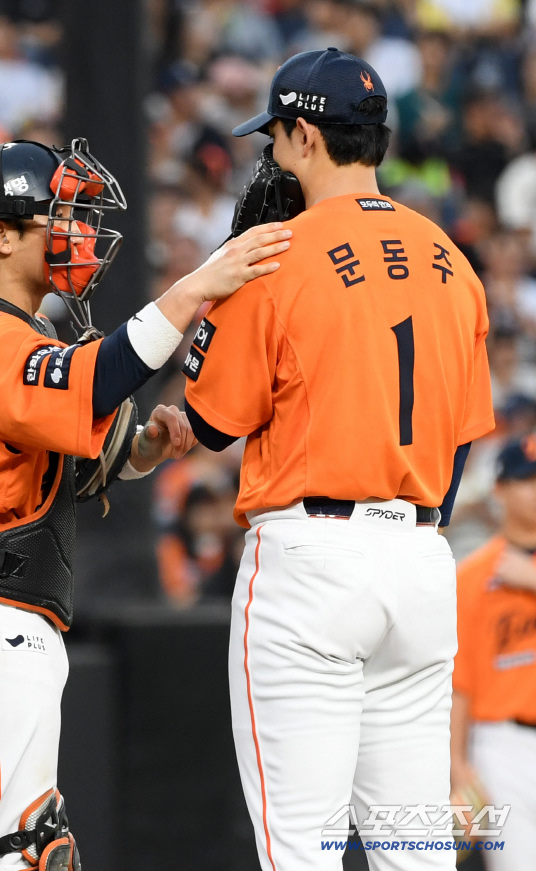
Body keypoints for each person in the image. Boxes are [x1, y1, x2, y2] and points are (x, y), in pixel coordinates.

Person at [0, 138, 291, 871]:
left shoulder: (2, 334)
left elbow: (69, 468)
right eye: (55, 216)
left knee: (30, 850)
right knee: (18, 856)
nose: (77, 232)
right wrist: (194, 286)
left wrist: (141, 454)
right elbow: (99, 378)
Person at [182, 48, 495, 869]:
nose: (272, 154)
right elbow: (461, 442)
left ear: (304, 135)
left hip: (312, 563)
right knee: (415, 855)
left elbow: (211, 422)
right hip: (422, 559)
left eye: (277, 136)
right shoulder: (454, 263)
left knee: (299, 852)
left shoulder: (274, 253)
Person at [451, 436, 536, 871]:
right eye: (528, 480)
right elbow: (459, 684)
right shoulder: (471, 577)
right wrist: (457, 767)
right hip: (504, 749)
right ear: (500, 489)